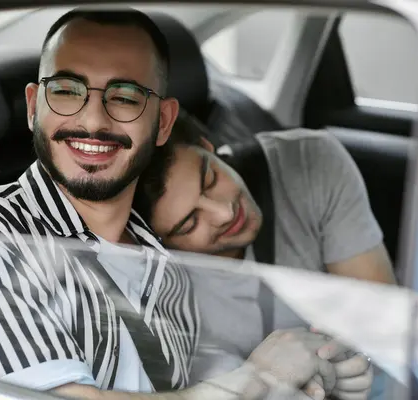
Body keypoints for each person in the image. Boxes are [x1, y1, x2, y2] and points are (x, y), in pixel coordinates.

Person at [0, 7, 356, 400]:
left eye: (125, 97)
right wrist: (255, 381)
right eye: (66, 90)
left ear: (162, 123)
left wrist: (321, 371)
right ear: (35, 106)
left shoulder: (165, 267)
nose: (93, 120)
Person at [133, 113, 395, 397]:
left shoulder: (310, 162)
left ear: (208, 147)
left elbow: (381, 322)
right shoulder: (156, 289)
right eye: (190, 223)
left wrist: (356, 360)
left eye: (211, 179)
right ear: (159, 244)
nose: (224, 212)